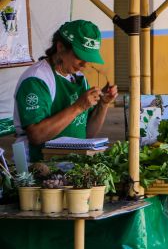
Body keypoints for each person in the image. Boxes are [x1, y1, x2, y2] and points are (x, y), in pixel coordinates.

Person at [13, 20, 118, 161]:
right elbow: (36, 136)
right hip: (37, 165)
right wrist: (78, 107)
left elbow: (87, 134)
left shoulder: (79, 78)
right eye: (80, 57)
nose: (84, 65)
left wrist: (103, 105)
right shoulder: (37, 80)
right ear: (61, 47)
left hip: (71, 164)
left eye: (88, 59)